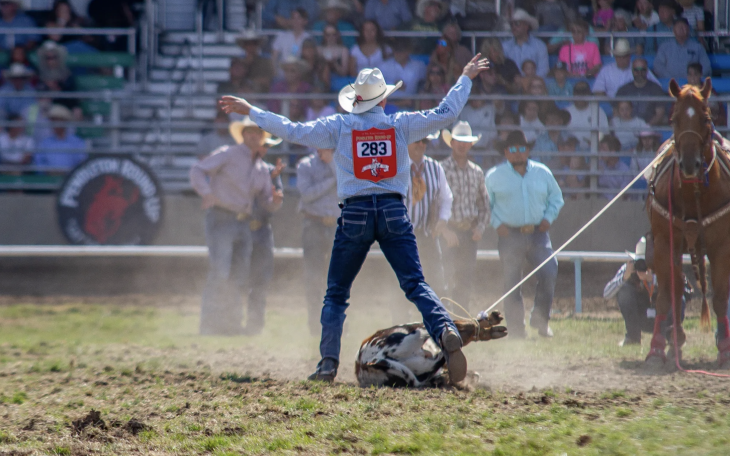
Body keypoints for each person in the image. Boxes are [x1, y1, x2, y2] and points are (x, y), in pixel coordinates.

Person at [219, 54, 491, 384]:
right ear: (385, 98)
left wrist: (251, 111)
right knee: (416, 284)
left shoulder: (340, 126)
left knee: (336, 293)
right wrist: (464, 76)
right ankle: (445, 329)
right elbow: (446, 113)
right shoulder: (400, 124)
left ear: (356, 99)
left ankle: (328, 364)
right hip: (393, 210)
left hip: (355, 213)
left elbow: (292, 131)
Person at [189, 117, 284, 336]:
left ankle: (229, 324)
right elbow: (197, 170)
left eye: (257, 133)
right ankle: (209, 324)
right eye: (250, 131)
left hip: (243, 224)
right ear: (242, 134)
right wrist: (207, 193)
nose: (253, 136)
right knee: (221, 271)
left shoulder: (261, 169)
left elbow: (268, 202)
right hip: (222, 218)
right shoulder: (227, 154)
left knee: (238, 275)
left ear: (261, 138)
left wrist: (276, 202)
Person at [485, 131, 564, 338]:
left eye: (522, 149)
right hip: (509, 234)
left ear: (528, 151)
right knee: (512, 281)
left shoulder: (542, 172)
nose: (518, 154)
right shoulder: (494, 176)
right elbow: (485, 204)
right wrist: (496, 224)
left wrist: (549, 217)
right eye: (513, 149)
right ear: (505, 152)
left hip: (538, 233)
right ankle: (516, 329)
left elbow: (556, 198)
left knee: (549, 270)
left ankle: (540, 319)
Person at [394, 131, 455, 323]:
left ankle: (440, 325)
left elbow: (446, 198)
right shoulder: (395, 167)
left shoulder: (435, 168)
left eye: (424, 141)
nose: (420, 144)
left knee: (436, 282)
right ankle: (400, 326)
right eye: (416, 140)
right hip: (401, 237)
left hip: (427, 235)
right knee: (401, 286)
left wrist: (443, 219)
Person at [440, 121, 490, 312]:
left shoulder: (477, 172)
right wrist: (443, 230)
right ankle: (443, 322)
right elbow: (434, 203)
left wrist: (480, 227)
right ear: (452, 143)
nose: (462, 144)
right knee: (443, 279)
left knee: (465, 280)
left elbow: (484, 205)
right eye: (458, 140)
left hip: (469, 233)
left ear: (470, 145)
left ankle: (460, 321)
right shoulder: (441, 169)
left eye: (465, 141)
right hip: (448, 231)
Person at [604, 237, 691, 346]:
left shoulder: (665, 267)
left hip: (663, 317)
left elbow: (682, 291)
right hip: (641, 317)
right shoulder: (629, 268)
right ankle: (632, 337)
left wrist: (654, 280)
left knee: (679, 298)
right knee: (624, 291)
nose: (643, 266)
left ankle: (672, 337)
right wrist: (624, 277)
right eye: (640, 261)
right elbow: (606, 294)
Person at [296, 148, 339, 336]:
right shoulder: (305, 165)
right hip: (314, 223)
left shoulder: (343, 163)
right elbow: (307, 195)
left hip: (338, 226)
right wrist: (332, 179)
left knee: (339, 278)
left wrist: (333, 164)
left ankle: (336, 323)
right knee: (314, 278)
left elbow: (349, 185)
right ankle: (315, 324)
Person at [246, 140, 285, 336]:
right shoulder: (240, 167)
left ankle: (255, 325)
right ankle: (231, 322)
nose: (264, 149)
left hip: (261, 230)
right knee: (237, 277)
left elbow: (276, 201)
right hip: (241, 228)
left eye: (266, 146)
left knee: (260, 280)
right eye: (262, 144)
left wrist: (276, 201)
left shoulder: (271, 171)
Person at [593, 40, 660, 98]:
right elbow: (598, 91)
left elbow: (657, 87)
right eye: (619, 56)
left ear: (629, 56)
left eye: (624, 56)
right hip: (611, 106)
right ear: (615, 57)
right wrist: (612, 104)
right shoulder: (606, 70)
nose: (621, 59)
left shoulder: (639, 68)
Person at [34, 104, 88, 174]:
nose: (54, 123)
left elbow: (82, 163)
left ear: (65, 121)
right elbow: (39, 163)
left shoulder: (77, 142)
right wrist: (48, 171)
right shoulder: (45, 143)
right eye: (53, 120)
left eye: (57, 120)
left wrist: (67, 173)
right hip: (49, 179)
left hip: (70, 180)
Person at [615, 58, 669, 126]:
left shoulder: (656, 89)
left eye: (642, 70)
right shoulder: (623, 90)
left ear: (647, 71)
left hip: (650, 131)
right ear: (632, 71)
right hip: (627, 129)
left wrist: (646, 128)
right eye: (636, 70)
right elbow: (616, 113)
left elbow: (660, 114)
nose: (639, 73)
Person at [502, 9, 549, 78]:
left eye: (517, 23)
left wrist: (528, 82)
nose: (514, 27)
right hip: (511, 86)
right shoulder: (504, 46)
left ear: (526, 26)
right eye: (511, 24)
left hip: (533, 85)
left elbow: (543, 71)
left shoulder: (540, 46)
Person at [565, 81, 609, 150]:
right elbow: (561, 135)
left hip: (594, 150)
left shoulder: (597, 110)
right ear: (573, 94)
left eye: (583, 94)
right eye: (578, 93)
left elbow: (605, 132)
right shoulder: (566, 112)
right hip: (572, 151)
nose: (580, 97)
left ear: (588, 94)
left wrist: (595, 140)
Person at [597, 134, 632, 198]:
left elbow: (622, 196)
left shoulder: (625, 171)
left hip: (617, 206)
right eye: (600, 149)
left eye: (604, 149)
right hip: (598, 204)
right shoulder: (598, 165)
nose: (601, 152)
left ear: (613, 152)